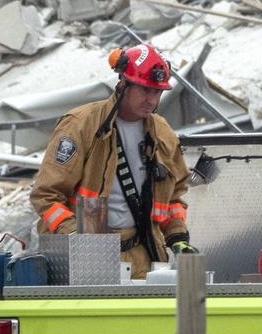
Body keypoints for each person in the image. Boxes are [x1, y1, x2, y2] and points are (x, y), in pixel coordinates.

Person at [30, 43, 196, 279]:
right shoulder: (80, 125)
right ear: (124, 84)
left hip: (143, 257)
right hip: (85, 260)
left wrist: (177, 237)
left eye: (157, 92)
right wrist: (75, 236)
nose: (152, 99)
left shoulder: (162, 133)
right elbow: (45, 196)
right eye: (145, 90)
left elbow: (174, 197)